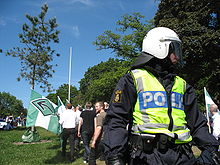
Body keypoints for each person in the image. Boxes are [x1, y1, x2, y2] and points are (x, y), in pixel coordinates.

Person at [103, 27, 220, 165]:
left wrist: (210, 148)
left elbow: (197, 123)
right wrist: (115, 156)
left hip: (182, 156)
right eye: (174, 50)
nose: (177, 56)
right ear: (160, 48)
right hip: (146, 156)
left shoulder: (182, 85)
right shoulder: (132, 79)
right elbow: (116, 119)